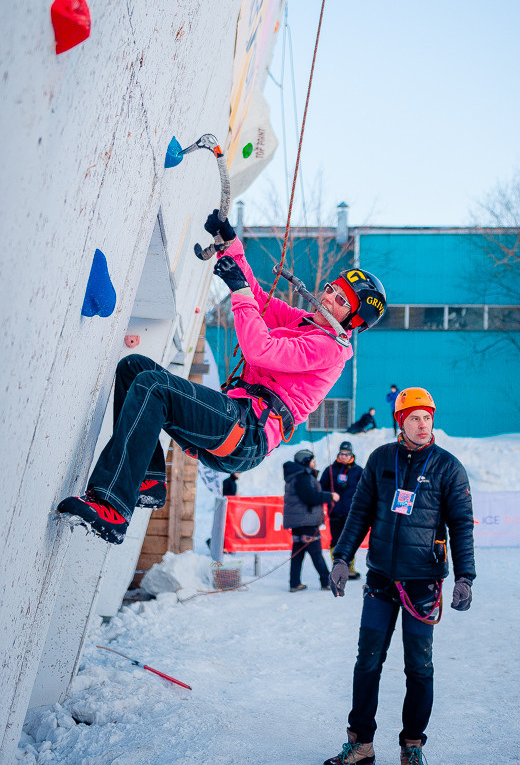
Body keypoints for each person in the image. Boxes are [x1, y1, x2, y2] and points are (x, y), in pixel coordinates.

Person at [57, 211, 386, 545]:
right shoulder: (306, 322)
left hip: (248, 432)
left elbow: (260, 349)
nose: (328, 297)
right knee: (135, 369)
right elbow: (257, 297)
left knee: (153, 387)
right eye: (332, 288)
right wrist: (230, 244)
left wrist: (239, 291)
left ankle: (111, 507)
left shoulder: (329, 350)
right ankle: (147, 479)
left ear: (353, 321)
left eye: (342, 300)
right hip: (237, 417)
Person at [322, 387, 475, 765]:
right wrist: (342, 558)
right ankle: (360, 745)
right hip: (379, 582)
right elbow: (359, 512)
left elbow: (461, 526)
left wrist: (465, 577)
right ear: (400, 422)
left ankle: (412, 748)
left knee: (419, 668)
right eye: (414, 418)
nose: (423, 425)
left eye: (428, 417)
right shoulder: (379, 460)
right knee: (367, 662)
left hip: (422, 586)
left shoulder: (448, 467)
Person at [283, 448, 338, 592]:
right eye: (312, 460)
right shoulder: (303, 476)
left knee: (298, 553)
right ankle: (326, 582)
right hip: (306, 521)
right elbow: (310, 496)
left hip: (299, 521)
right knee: (316, 553)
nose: (314, 463)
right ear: (306, 461)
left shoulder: (295, 474)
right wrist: (330, 496)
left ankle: (294, 583)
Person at [319, 440, 363, 580]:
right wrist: (329, 497)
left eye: (347, 454)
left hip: (352, 513)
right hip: (335, 512)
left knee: (350, 541)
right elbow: (321, 488)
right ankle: (337, 568)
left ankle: (349, 568)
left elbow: (365, 490)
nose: (344, 456)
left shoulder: (358, 471)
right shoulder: (330, 470)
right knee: (336, 542)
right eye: (341, 454)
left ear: (352, 455)